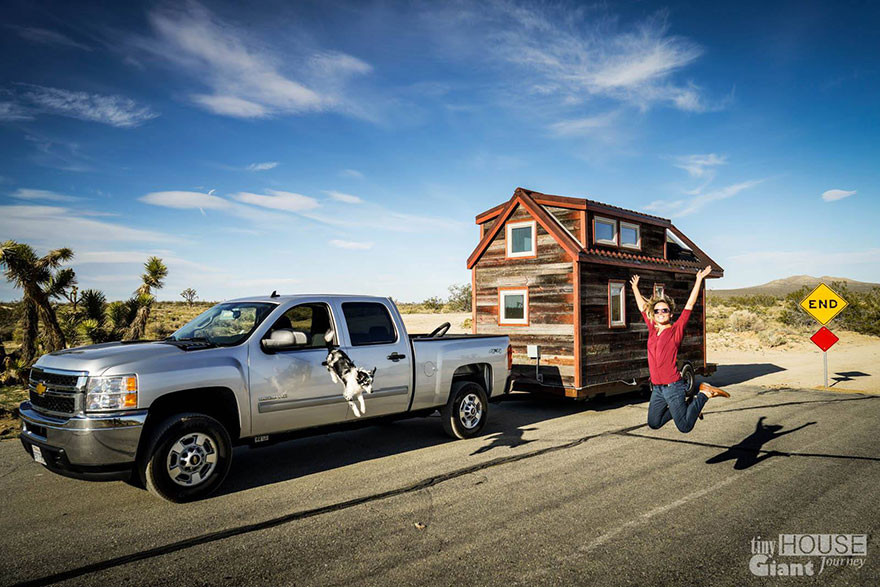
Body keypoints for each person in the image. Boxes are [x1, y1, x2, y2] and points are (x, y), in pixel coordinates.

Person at [630, 266, 729, 433]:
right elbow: (642, 307)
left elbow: (689, 304)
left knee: (684, 426)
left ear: (670, 314)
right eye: (657, 311)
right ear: (653, 314)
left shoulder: (676, 330)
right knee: (654, 423)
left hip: (673, 386)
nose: (660, 313)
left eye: (665, 310)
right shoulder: (653, 328)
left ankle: (704, 395)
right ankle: (690, 406)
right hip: (657, 388)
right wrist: (634, 288)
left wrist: (698, 280)